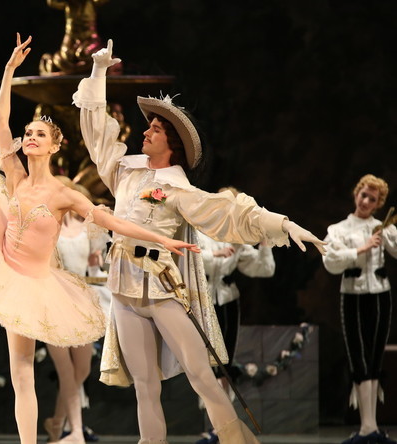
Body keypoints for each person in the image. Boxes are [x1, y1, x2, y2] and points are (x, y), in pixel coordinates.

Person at [0, 34, 199, 444]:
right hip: (1, 262)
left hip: (35, 283)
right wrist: (10, 71)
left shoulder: (65, 194)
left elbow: (110, 220)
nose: (29, 136)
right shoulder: (13, 176)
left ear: (54, 146)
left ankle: (50, 435)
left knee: (25, 370)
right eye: (27, 132)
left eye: (39, 134)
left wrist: (162, 240)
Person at [72, 40, 327, 444]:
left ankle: (234, 440)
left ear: (171, 142)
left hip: (162, 287)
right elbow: (96, 134)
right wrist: (98, 73)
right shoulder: (126, 172)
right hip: (122, 286)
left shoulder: (178, 188)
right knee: (145, 384)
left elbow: (227, 212)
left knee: (200, 374)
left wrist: (284, 224)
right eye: (149, 126)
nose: (146, 131)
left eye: (155, 129)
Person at [194, 187, 276, 444]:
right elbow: (190, 255)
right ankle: (212, 426)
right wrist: (214, 254)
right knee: (207, 365)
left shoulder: (238, 236)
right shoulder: (200, 228)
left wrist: (264, 243)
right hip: (204, 300)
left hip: (228, 299)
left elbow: (264, 270)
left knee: (225, 366)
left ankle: (225, 429)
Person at [322, 174, 396, 444]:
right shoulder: (338, 229)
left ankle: (371, 426)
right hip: (352, 295)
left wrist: (387, 237)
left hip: (379, 294)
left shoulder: (382, 227)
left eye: (372, 199)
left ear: (378, 204)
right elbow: (331, 261)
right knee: (359, 357)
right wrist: (361, 250)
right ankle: (366, 427)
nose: (366, 201)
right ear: (356, 194)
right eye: (363, 195)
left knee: (375, 358)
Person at [44, 176, 111, 443]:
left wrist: (97, 261)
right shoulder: (49, 226)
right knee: (66, 370)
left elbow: (97, 268)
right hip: (56, 299)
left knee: (81, 370)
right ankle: (75, 432)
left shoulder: (87, 229)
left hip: (83, 300)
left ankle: (57, 422)